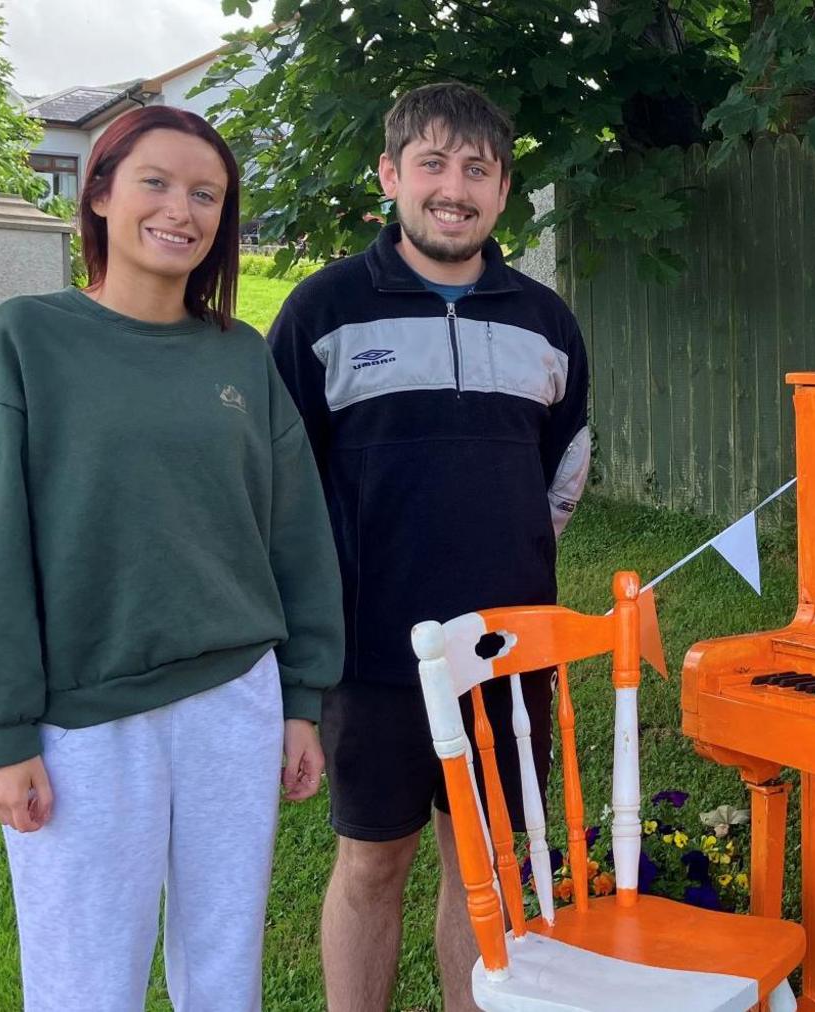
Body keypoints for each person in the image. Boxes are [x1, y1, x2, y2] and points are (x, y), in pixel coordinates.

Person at [0, 105, 344, 1011]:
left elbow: (294, 533)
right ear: (103, 193)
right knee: (86, 979)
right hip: (84, 719)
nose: (182, 210)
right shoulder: (23, 341)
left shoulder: (238, 352)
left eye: (206, 194)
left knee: (224, 966)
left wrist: (302, 700)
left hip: (235, 698)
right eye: (156, 182)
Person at [266, 81, 592, 1010]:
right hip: (371, 656)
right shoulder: (322, 311)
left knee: (482, 867)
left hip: (504, 650)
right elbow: (279, 485)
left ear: (501, 188)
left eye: (478, 169)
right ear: (391, 175)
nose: (456, 187)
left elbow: (563, 472)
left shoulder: (545, 320)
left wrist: (505, 557)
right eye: (434, 164)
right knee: (373, 864)